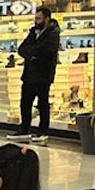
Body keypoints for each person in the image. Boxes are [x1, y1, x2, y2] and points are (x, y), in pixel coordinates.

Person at [7, 7, 60, 145]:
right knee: (25, 102)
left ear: (46, 19)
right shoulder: (33, 32)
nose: (36, 21)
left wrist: (33, 53)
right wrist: (33, 54)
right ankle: (24, 128)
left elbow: (45, 51)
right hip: (29, 74)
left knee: (42, 103)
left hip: (44, 75)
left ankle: (43, 130)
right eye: (35, 18)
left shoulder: (53, 34)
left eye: (39, 19)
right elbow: (22, 49)